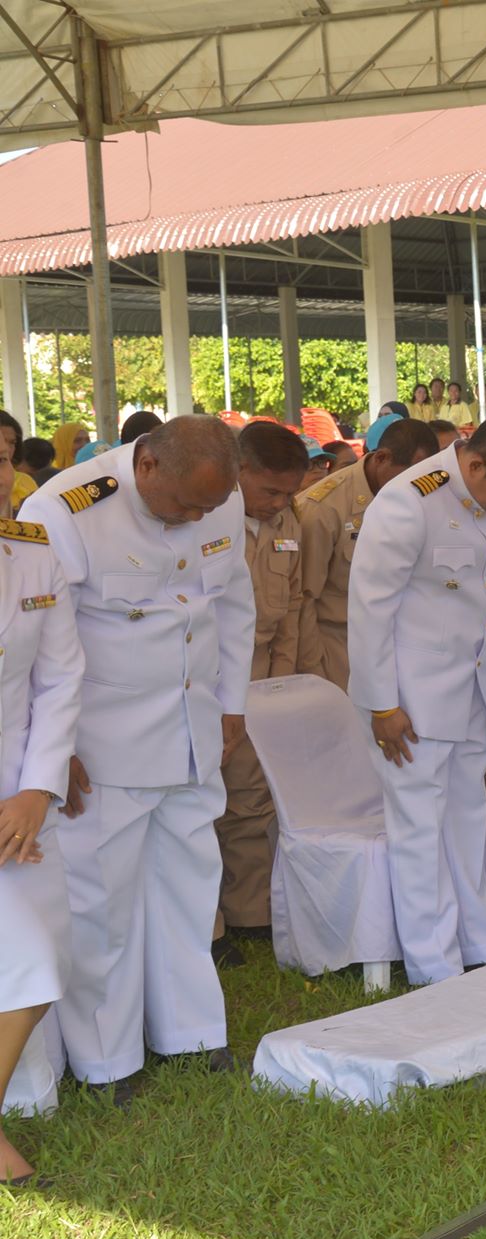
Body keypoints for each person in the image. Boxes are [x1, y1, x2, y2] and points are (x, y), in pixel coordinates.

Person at [23, 417, 256, 1099]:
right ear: (145, 465)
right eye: (185, 505)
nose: (194, 519)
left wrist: (232, 700)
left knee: (190, 882)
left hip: (192, 728)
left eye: (205, 509)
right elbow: (42, 645)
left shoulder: (220, 492)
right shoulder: (65, 510)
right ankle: (107, 1059)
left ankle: (190, 1033)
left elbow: (233, 603)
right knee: (103, 902)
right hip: (104, 742)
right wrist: (55, 747)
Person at [347, 415, 486, 984]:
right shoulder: (409, 500)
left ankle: (479, 943)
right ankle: (434, 965)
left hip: (473, 690)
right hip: (411, 699)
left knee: (466, 819)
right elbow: (368, 611)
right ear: (475, 463)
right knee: (418, 830)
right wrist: (382, 704)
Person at [0, 507, 83, 1183]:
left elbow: (59, 681)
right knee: (26, 954)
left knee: (38, 963)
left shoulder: (33, 554)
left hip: (18, 796)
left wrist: (37, 788)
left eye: (1, 457)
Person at [212, 422, 310, 962]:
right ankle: (211, 927)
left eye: (288, 493)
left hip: (261, 682)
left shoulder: (286, 524)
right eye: (270, 490)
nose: (279, 502)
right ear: (238, 472)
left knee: (251, 801)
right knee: (200, 806)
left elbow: (293, 607)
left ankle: (250, 913)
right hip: (206, 684)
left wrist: (283, 687)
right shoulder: (203, 521)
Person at [296, 417, 439, 689]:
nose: (416, 488)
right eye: (408, 477)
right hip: (340, 648)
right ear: (382, 458)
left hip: (401, 643)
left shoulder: (423, 499)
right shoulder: (324, 509)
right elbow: (305, 601)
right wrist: (315, 672)